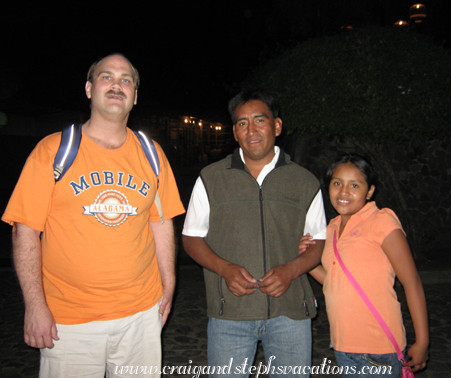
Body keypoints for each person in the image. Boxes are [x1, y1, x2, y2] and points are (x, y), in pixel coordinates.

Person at [2, 53, 185, 377]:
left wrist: (169, 285)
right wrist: (35, 305)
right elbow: (25, 230)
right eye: (107, 77)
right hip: (69, 322)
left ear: (136, 96)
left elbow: (160, 222)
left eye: (126, 79)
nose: (117, 85)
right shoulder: (53, 151)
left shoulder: (152, 154)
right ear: (89, 89)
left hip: (141, 316)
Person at [182, 88, 326, 377]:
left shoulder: (304, 181)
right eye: (242, 123)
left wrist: (290, 270)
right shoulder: (211, 178)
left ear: (277, 126)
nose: (251, 130)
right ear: (235, 132)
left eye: (260, 120)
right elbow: (191, 237)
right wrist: (224, 268)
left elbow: (319, 240)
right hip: (230, 312)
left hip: (290, 313)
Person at [299, 154, 429, 378]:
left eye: (355, 185)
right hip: (343, 345)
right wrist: (305, 259)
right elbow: (333, 278)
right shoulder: (331, 228)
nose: (344, 192)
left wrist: (423, 340)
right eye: (337, 183)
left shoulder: (381, 220)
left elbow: (411, 282)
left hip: (378, 348)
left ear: (369, 191)